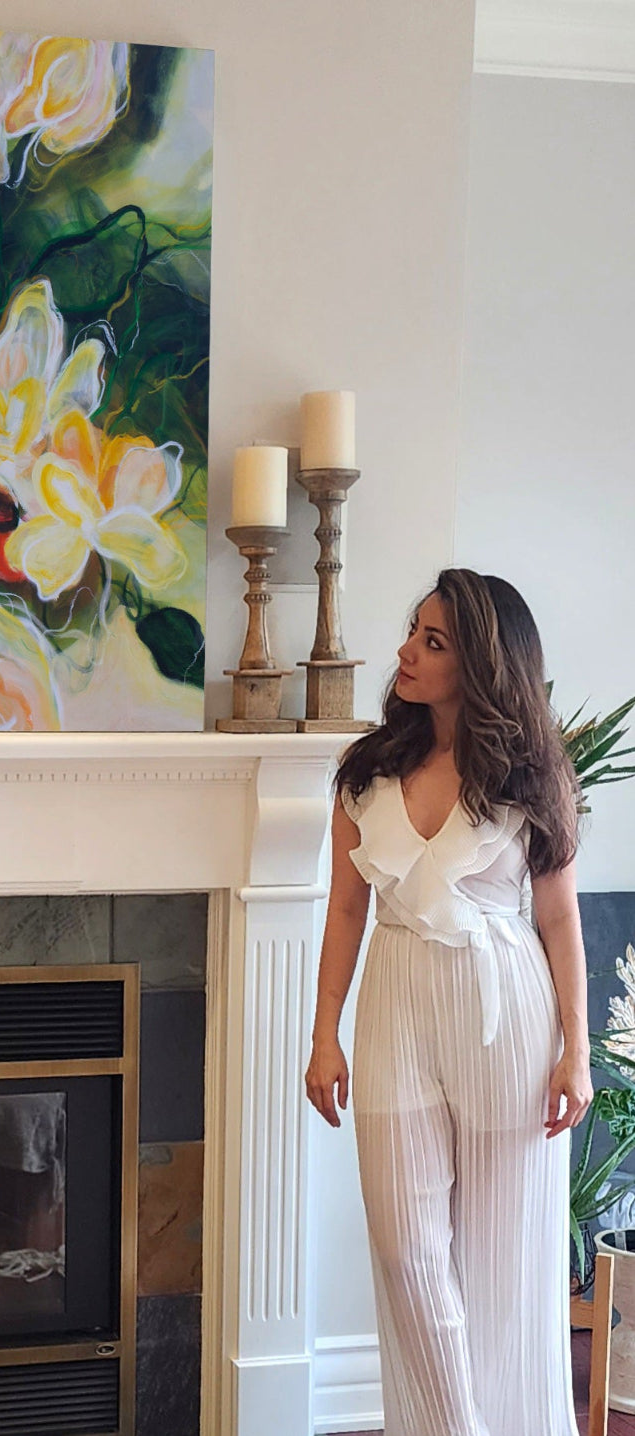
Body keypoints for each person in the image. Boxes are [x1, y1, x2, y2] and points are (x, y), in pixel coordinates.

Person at [305, 567, 591, 1436]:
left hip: (507, 1013)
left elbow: (558, 918)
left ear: (480, 664)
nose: (404, 652)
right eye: (413, 632)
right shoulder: (365, 773)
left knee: (503, 1265)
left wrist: (575, 1051)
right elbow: (345, 910)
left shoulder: (532, 776)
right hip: (394, 1005)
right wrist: (323, 1036)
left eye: (431, 642)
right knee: (405, 1252)